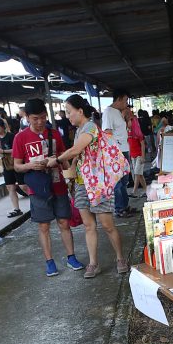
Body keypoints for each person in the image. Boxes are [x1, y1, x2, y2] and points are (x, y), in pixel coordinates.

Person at [48, 94, 127, 279]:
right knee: (88, 226)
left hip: (98, 184)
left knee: (107, 225)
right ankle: (93, 263)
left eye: (69, 112)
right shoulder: (79, 130)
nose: (67, 116)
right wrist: (73, 172)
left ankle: (120, 258)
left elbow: (76, 149)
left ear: (80, 111)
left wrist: (57, 160)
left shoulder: (90, 127)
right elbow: (78, 153)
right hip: (83, 185)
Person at [12, 98, 83, 277]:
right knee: (43, 226)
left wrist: (70, 177)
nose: (40, 122)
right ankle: (49, 262)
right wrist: (31, 166)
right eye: (35, 118)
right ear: (27, 117)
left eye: (43, 117)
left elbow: (63, 156)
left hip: (58, 183)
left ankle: (71, 257)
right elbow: (17, 166)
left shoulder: (54, 133)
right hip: (38, 188)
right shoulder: (20, 138)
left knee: (64, 222)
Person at [102, 90, 133, 218]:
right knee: (118, 182)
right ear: (118, 99)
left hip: (124, 149)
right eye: (125, 100)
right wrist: (113, 152)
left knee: (124, 180)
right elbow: (107, 132)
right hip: (117, 151)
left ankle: (124, 206)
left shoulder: (118, 112)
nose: (126, 103)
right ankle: (119, 208)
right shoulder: (108, 112)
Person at [127, 107, 148, 196]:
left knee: (136, 173)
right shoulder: (127, 132)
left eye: (129, 121)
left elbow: (143, 144)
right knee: (139, 174)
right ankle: (146, 190)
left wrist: (143, 156)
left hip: (139, 155)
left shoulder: (138, 133)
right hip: (133, 155)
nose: (128, 123)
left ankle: (134, 191)